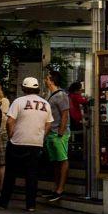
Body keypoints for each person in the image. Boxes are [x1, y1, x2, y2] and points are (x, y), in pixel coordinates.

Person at [0, 77, 51, 212]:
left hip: (18, 142)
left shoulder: (18, 102)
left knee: (10, 174)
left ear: (23, 88)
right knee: (32, 175)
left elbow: (10, 121)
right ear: (37, 88)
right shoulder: (45, 104)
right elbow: (49, 123)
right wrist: (41, 136)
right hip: (36, 143)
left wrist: (11, 135)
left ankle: (4, 202)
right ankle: (30, 205)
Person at [42, 72, 70, 203]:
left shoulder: (61, 95)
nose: (45, 81)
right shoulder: (49, 95)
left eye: (47, 78)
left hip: (58, 133)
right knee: (55, 161)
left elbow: (65, 113)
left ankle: (60, 189)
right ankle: (56, 187)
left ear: (52, 81)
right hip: (51, 133)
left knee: (62, 159)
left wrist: (61, 131)